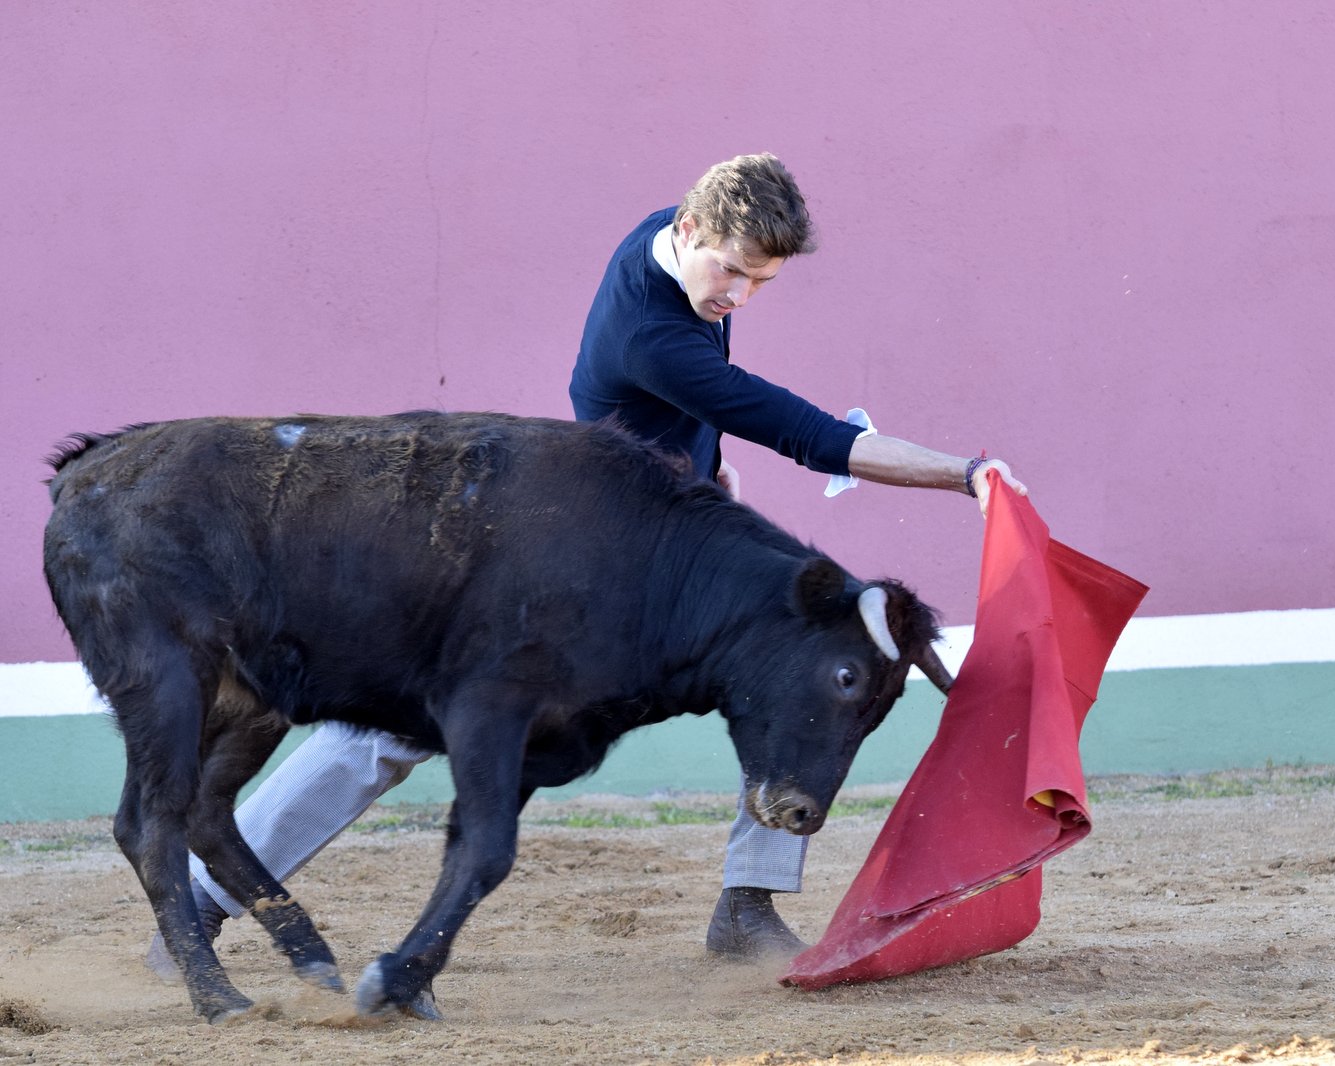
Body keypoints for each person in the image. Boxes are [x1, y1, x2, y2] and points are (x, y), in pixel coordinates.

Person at [147, 153, 1026, 993]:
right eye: (732, 274)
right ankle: (201, 895)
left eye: (762, 282)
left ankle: (747, 904)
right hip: (591, 558)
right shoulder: (655, 336)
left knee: (793, 647)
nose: (742, 297)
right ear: (689, 229)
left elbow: (703, 396)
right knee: (395, 724)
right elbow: (806, 433)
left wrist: (698, 460)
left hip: (661, 529)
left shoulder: (672, 248)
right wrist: (964, 472)